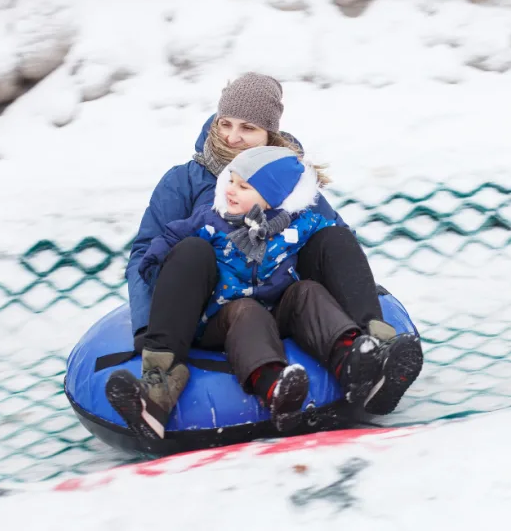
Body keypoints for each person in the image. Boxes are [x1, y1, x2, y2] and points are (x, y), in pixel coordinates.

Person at [121, 72, 422, 432]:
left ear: (268, 135)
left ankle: (371, 355)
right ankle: (161, 380)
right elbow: (147, 251)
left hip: (284, 298)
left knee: (333, 240)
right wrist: (148, 323)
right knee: (193, 250)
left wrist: (361, 291)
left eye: (247, 127)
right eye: (225, 124)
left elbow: (335, 239)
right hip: (215, 309)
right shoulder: (183, 181)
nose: (232, 137)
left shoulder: (287, 179)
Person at [107, 146, 386, 436]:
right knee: (246, 311)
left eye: (243, 186)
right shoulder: (211, 220)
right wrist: (156, 265)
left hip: (279, 308)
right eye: (231, 181)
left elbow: (335, 236)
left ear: (271, 199)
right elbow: (170, 237)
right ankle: (273, 387)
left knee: (308, 291)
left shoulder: (297, 222)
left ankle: (353, 360)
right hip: (224, 314)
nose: (230, 190)